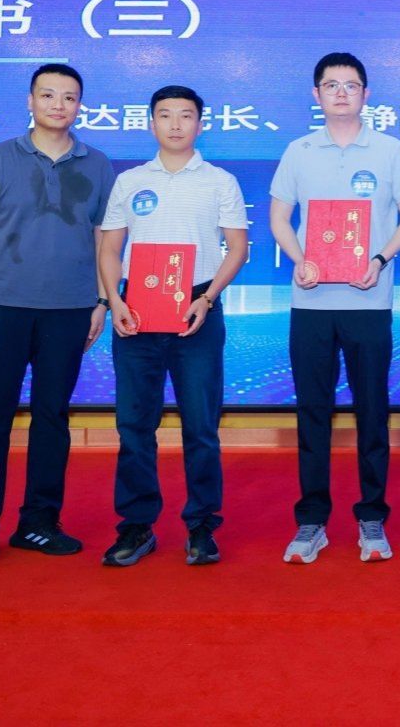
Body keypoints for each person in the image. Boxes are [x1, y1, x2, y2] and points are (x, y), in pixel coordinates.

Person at [0, 63, 115, 577]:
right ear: (30, 101)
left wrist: (102, 301)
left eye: (69, 97)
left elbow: (106, 241)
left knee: (52, 419)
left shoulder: (98, 165)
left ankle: (38, 522)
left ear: (80, 105)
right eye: (48, 95)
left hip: (70, 310)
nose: (59, 105)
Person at [269, 53, 400, 564]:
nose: (341, 93)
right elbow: (279, 217)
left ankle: (372, 516)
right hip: (311, 301)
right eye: (331, 85)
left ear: (366, 93)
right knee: (312, 411)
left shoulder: (390, 150)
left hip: (368, 300)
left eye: (351, 85)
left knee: (371, 411)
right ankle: (312, 520)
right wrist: (300, 259)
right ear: (316, 95)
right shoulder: (299, 151)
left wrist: (379, 259)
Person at [98, 85, 248, 567]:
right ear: (151, 123)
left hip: (197, 309)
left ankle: (201, 526)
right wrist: (115, 300)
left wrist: (208, 298)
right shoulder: (130, 181)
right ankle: (136, 526)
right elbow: (109, 248)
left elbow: (238, 249)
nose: (176, 124)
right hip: (137, 311)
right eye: (165, 115)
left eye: (186, 115)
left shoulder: (220, 181)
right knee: (134, 425)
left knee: (201, 426)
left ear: (201, 124)